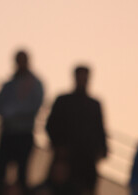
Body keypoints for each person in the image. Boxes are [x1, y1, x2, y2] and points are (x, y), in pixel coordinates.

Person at [45, 65, 107, 195]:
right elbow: (51, 125)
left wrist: (101, 150)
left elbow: (100, 131)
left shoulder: (94, 105)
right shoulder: (63, 101)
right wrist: (59, 146)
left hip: (86, 162)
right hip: (64, 159)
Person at [0, 50, 44, 191]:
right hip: (8, 133)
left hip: (24, 134)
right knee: (0, 171)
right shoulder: (9, 85)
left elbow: (35, 105)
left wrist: (13, 112)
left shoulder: (35, 84)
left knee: (22, 173)